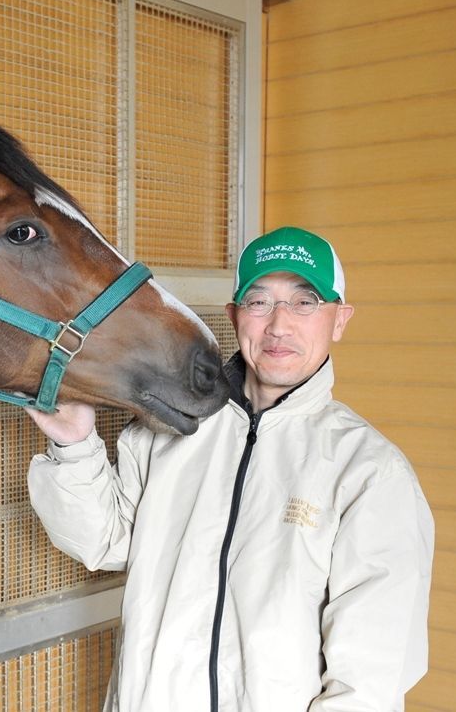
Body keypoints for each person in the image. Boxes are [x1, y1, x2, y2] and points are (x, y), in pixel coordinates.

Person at [25, 226, 434, 712]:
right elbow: (104, 542)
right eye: (259, 302)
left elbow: (370, 677)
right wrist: (73, 445)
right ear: (235, 316)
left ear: (339, 320)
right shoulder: (171, 426)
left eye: (305, 302)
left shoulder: (368, 472)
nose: (279, 325)